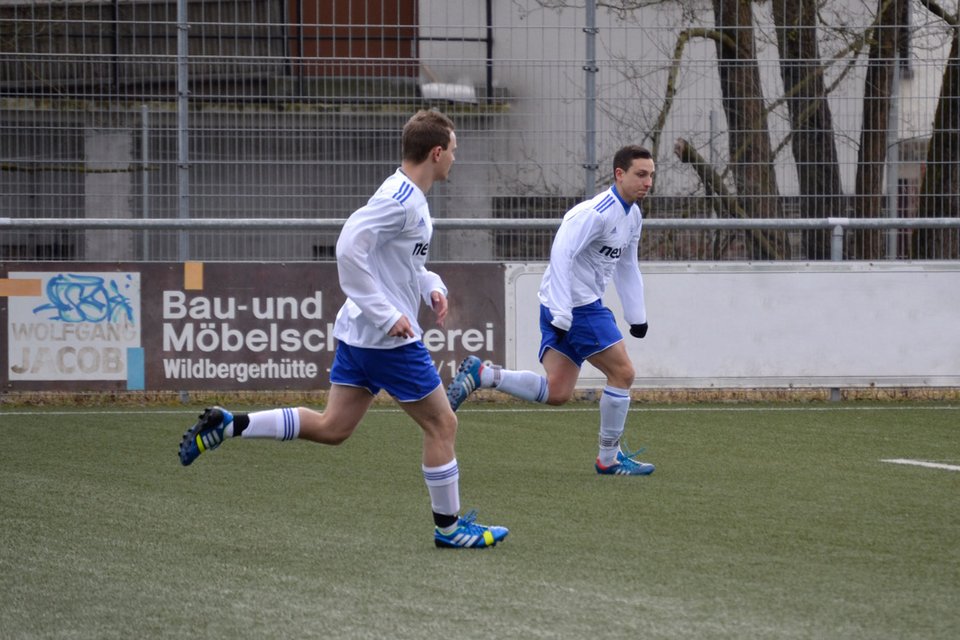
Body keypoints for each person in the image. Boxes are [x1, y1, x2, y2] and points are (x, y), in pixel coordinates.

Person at [178, 109, 509, 549]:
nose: (454, 159)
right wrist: (387, 315)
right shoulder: (400, 200)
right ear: (436, 152)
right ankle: (449, 530)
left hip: (358, 335)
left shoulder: (407, 195)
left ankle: (230, 424)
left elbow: (399, 263)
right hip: (385, 341)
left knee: (334, 427)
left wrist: (431, 285)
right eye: (453, 151)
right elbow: (348, 250)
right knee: (442, 424)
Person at [447, 145, 656, 476]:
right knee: (623, 373)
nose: (648, 182)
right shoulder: (595, 213)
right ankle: (609, 458)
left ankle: (483, 374)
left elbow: (627, 265)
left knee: (557, 391)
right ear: (619, 174)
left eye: (651, 176)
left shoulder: (633, 215)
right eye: (641, 175)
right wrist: (562, 313)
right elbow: (562, 253)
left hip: (571, 306)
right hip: (576, 306)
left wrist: (637, 314)